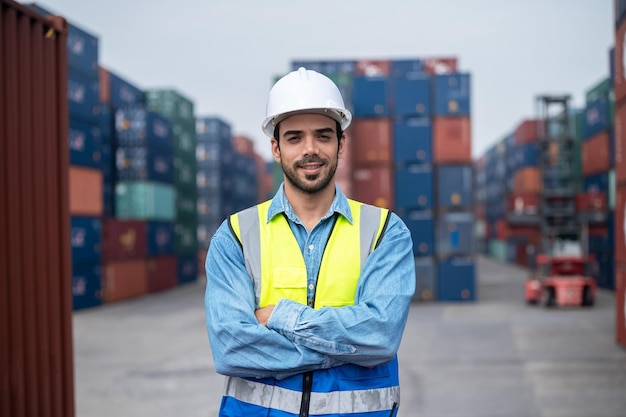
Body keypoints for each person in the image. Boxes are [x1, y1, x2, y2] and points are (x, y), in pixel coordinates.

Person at [204, 67, 416, 417]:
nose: (310, 149)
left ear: (341, 143)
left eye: (322, 136)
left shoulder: (385, 232)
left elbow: (380, 337)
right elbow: (231, 347)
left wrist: (282, 317)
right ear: (275, 147)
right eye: (294, 138)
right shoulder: (235, 236)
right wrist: (348, 345)